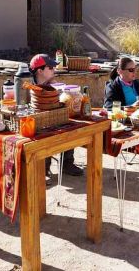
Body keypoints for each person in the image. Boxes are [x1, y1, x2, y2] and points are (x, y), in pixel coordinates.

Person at [29, 54, 83, 183]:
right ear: (40, 70)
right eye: (50, 68)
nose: (54, 70)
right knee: (43, 133)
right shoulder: (31, 88)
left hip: (56, 117)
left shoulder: (55, 85)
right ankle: (44, 168)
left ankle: (67, 162)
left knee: (69, 124)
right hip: (40, 120)